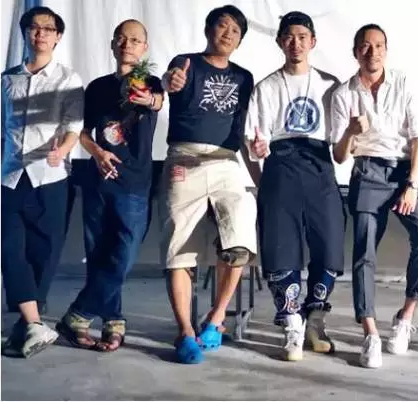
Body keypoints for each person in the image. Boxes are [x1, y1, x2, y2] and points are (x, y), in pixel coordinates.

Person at [331, 24, 418, 368]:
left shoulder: (403, 83)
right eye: (365, 46)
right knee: (364, 252)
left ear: (386, 51)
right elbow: (339, 156)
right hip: (367, 171)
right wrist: (350, 131)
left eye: (378, 46)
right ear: (355, 52)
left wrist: (412, 184)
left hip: (403, 171)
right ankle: (370, 333)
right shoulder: (344, 93)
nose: (372, 52)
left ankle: (405, 317)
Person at [55, 19, 164, 353]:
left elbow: (157, 101)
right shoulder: (97, 87)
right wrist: (98, 152)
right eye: (121, 38)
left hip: (135, 184)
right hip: (98, 183)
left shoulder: (149, 83)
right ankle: (114, 320)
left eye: (135, 40)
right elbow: (81, 132)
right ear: (113, 44)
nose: (127, 44)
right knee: (100, 257)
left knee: (123, 256)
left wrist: (148, 99)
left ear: (144, 47)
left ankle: (77, 315)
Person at [160, 4, 258, 364]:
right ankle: (185, 332)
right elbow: (170, 81)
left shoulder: (244, 77)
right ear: (208, 29)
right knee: (179, 247)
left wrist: (258, 167)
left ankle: (216, 320)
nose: (228, 34)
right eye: (222, 26)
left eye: (235, 30)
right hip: (184, 157)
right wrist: (170, 82)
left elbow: (243, 127)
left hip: (226, 160)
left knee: (240, 239)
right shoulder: (186, 62)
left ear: (240, 40)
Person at [245, 11, 345, 362]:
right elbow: (252, 140)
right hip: (281, 167)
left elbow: (340, 140)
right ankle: (291, 323)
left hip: (320, 167)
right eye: (288, 36)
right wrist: (259, 163)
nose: (296, 43)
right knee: (280, 245)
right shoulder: (266, 87)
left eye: (302, 37)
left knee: (329, 242)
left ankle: (315, 319)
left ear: (313, 41)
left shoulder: (330, 85)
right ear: (279, 42)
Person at [1, 6, 84, 358]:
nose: (40, 34)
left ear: (58, 36)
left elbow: (73, 125)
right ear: (25, 33)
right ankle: (34, 323)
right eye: (34, 28)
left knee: (43, 255)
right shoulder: (7, 79)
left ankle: (26, 328)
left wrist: (62, 150)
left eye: (48, 29)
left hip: (50, 177)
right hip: (10, 177)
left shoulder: (67, 79)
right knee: (9, 250)